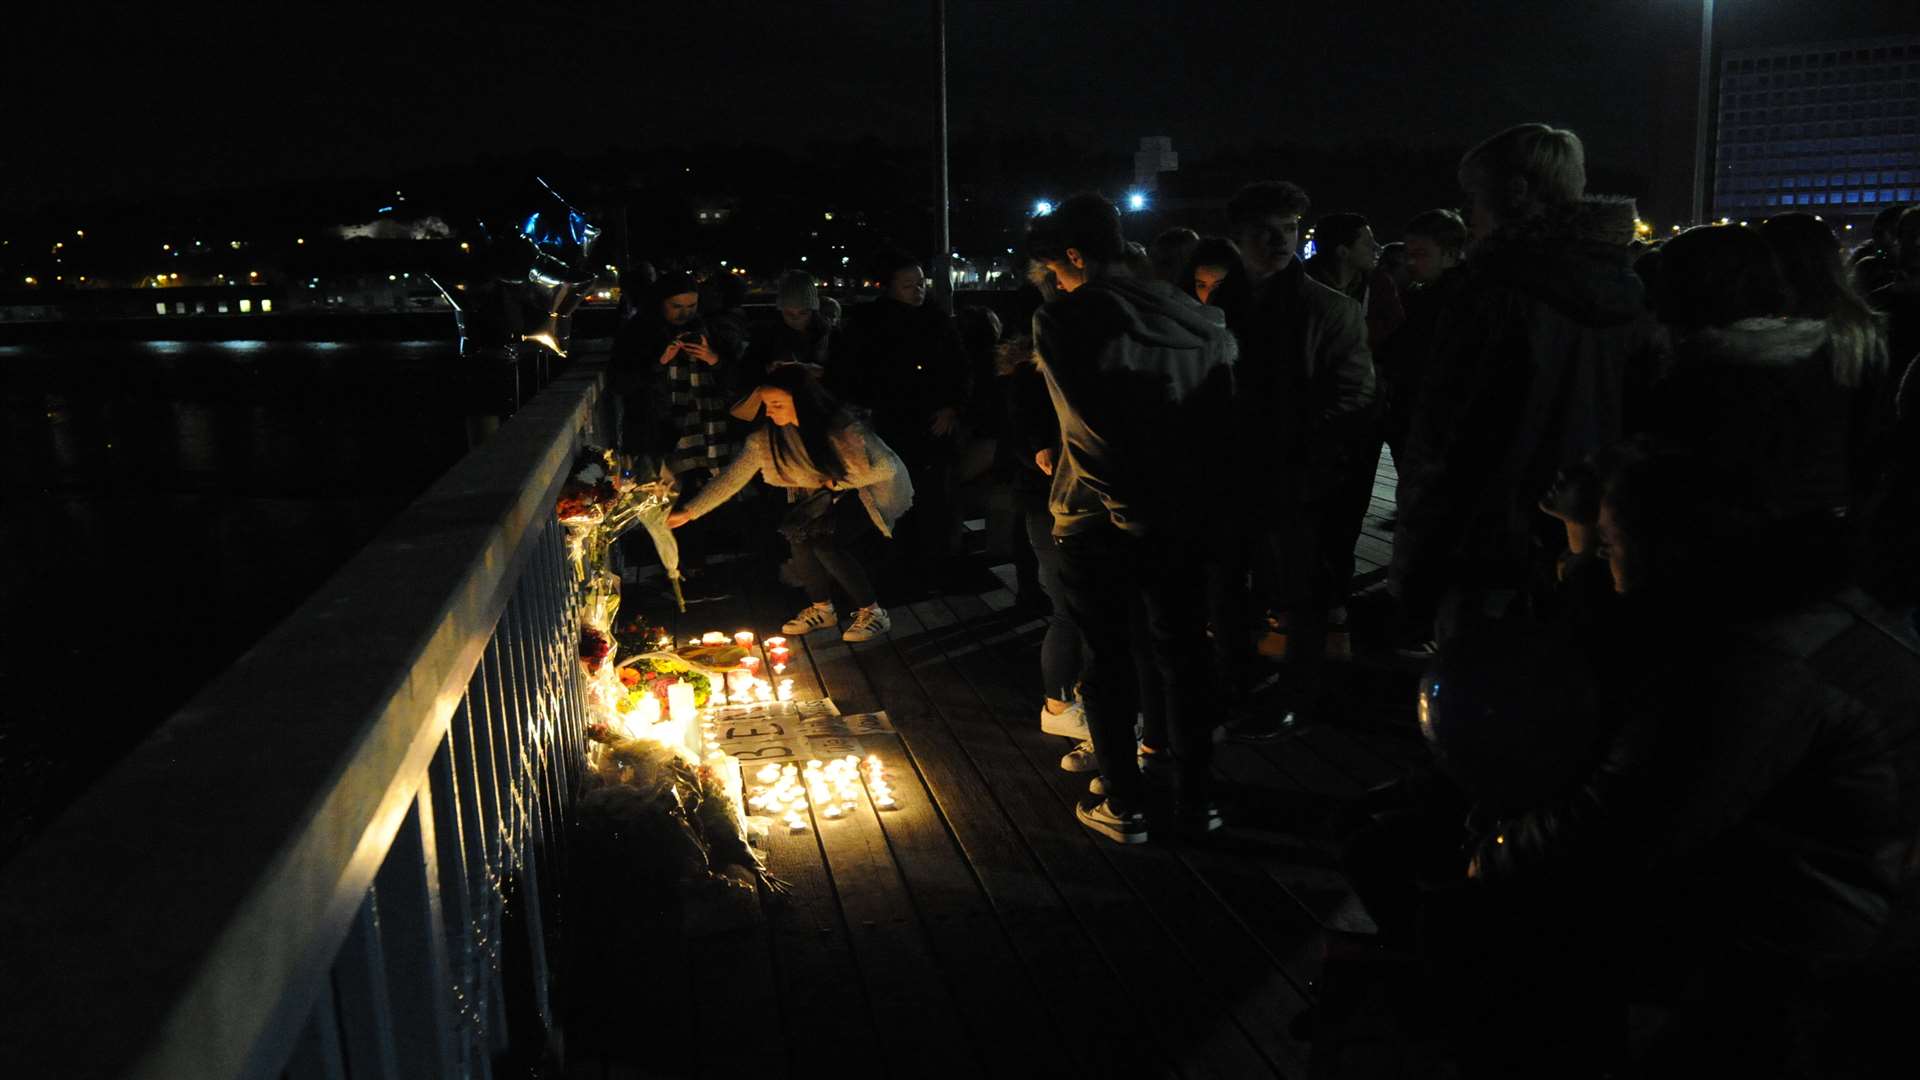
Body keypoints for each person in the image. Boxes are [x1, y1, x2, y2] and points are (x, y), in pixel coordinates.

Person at [1027, 192, 1239, 842]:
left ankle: (1125, 805)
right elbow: (1219, 416)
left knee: (1109, 660)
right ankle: (1198, 797)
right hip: (1183, 512)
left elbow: (1090, 427)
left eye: (1056, 270)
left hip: (1099, 517)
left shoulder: (1069, 317)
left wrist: (1125, 508)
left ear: (1073, 255)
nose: (1055, 283)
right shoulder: (1195, 314)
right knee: (1182, 653)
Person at [1389, 123, 1650, 647]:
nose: (1468, 215)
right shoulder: (1626, 286)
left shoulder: (1490, 292)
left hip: (1491, 544)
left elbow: (1450, 441)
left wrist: (1415, 567)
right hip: (1594, 530)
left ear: (1515, 192)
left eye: (1474, 197)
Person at [1225, 181, 1375, 725]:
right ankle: (1245, 677)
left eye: (1288, 229)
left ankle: (1295, 693)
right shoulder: (1216, 303)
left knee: (1299, 586)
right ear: (1237, 237)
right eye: (1266, 230)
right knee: (1234, 581)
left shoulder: (1327, 309)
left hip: (1296, 476)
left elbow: (1355, 393)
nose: (1279, 240)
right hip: (1232, 473)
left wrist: (1301, 442)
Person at [667, 365, 912, 643]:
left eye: (777, 404)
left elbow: (884, 467)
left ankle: (873, 612)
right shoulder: (768, 439)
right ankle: (822, 610)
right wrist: (689, 512)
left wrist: (837, 484)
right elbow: (733, 476)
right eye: (768, 405)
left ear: (801, 401)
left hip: (866, 493)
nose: (769, 411)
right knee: (797, 535)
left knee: (825, 543)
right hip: (824, 498)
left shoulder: (842, 427)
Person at [833, 248, 969, 577]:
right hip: (891, 421)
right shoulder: (871, 324)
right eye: (908, 285)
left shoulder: (938, 320)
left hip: (934, 421)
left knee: (936, 493)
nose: (918, 290)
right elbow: (853, 373)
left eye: (921, 282)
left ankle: (938, 560)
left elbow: (960, 367)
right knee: (895, 493)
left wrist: (952, 406)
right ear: (891, 286)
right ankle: (900, 561)